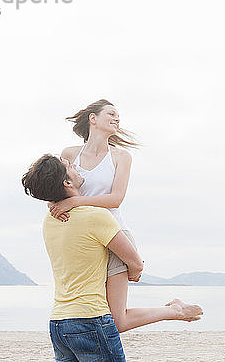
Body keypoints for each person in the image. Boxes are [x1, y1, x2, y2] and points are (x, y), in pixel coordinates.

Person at [47, 99, 203, 332]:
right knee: (90, 308)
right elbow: (58, 187)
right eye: (111, 113)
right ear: (93, 118)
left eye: (118, 116)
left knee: (117, 321)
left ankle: (175, 311)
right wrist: (54, 204)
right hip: (84, 237)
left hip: (114, 234)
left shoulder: (121, 157)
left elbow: (115, 199)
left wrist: (74, 202)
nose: (117, 118)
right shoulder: (69, 154)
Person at [22, 154, 139, 361]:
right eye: (69, 166)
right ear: (67, 182)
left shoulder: (50, 221)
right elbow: (135, 262)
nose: (75, 166)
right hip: (91, 319)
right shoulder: (97, 216)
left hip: (59, 323)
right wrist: (134, 271)